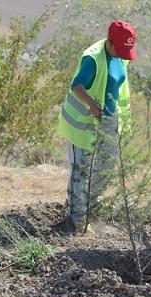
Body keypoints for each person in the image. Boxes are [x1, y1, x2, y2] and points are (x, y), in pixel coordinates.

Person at [58, 20, 138, 233]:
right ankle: (76, 221)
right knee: (80, 171)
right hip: (83, 122)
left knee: (106, 167)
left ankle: (90, 210)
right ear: (109, 41)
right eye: (120, 48)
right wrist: (92, 104)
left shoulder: (120, 57)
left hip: (109, 120)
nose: (123, 54)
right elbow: (77, 85)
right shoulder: (93, 58)